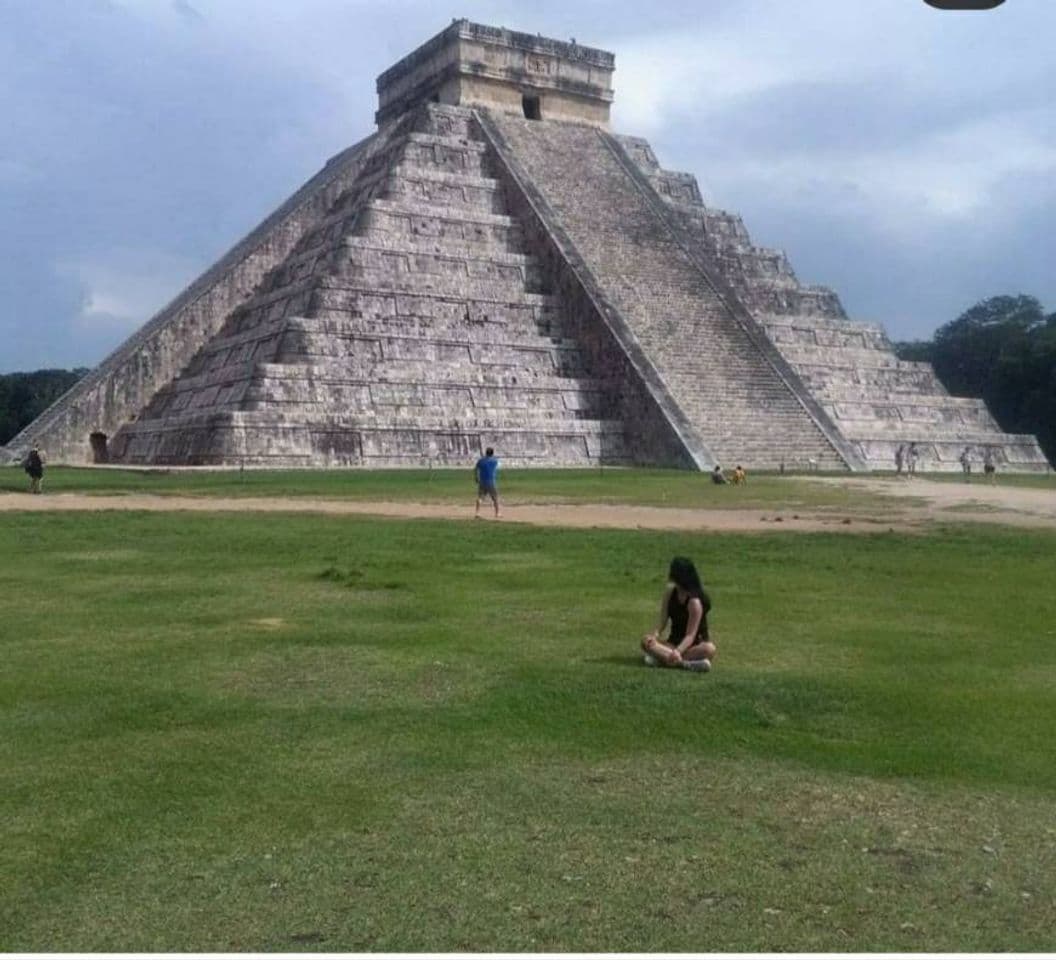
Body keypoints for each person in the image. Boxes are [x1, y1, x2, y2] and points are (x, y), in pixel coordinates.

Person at [641, 557, 717, 673]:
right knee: (645, 641)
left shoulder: (694, 601)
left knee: (709, 649)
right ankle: (686, 664)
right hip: (673, 643)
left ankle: (662, 659)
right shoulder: (670, 592)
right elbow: (663, 619)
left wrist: (678, 651)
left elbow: (690, 635)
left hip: (694, 646)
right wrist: (654, 635)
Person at [474, 446, 500, 518]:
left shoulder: (481, 461)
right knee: (495, 498)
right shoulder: (494, 461)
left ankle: (477, 513)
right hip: (491, 481)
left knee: (480, 497)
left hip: (482, 481)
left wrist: (476, 477)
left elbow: (476, 469)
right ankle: (497, 513)